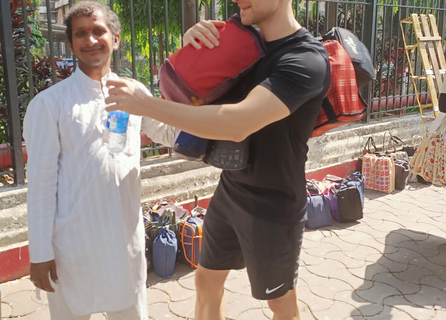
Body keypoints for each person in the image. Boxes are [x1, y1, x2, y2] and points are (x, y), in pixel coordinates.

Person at [105, 0, 331, 319]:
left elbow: (236, 123)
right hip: (232, 187)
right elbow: (199, 101)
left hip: (274, 202)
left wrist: (145, 105)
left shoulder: (306, 59)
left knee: (280, 303)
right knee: (206, 279)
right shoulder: (243, 42)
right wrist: (194, 53)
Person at [23, 2, 174, 319]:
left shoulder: (133, 92)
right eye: (81, 33)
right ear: (70, 44)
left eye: (98, 31)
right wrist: (39, 253)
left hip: (124, 244)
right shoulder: (50, 104)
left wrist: (205, 107)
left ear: (115, 39)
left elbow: (170, 133)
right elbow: (40, 183)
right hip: (71, 248)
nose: (90, 40)